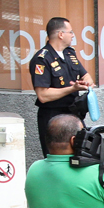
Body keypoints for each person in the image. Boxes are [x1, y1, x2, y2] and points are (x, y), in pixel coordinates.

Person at [30, 17, 94, 156]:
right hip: (53, 116)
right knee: (56, 157)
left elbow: (86, 75)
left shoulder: (69, 53)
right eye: (70, 32)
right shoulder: (42, 59)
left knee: (79, 155)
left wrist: (86, 83)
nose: (72, 35)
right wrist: (73, 89)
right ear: (60, 34)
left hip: (73, 114)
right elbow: (43, 95)